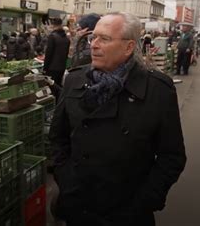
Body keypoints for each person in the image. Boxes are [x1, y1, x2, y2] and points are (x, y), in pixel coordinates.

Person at [50, 12, 186, 226]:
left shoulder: (157, 90)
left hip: (128, 213)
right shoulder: (74, 80)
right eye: (92, 38)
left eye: (104, 39)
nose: (93, 45)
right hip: (79, 206)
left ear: (129, 47)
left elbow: (172, 157)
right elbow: (58, 139)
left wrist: (143, 202)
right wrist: (67, 183)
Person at [43, 18, 70, 86]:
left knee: (51, 87)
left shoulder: (52, 37)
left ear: (52, 25)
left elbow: (49, 54)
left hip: (52, 68)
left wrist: (45, 68)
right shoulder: (66, 38)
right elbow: (66, 54)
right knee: (58, 86)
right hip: (61, 67)